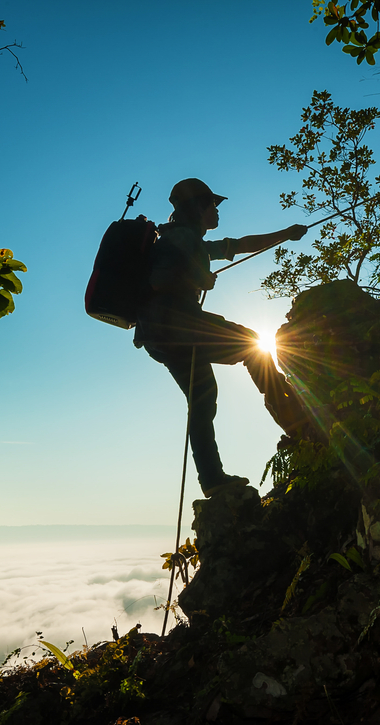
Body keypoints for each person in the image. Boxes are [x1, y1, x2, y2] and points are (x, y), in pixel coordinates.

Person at [133, 178, 310, 496]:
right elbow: (159, 280)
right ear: (199, 207)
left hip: (159, 334)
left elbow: (239, 245)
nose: (217, 210)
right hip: (178, 328)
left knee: (202, 399)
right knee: (251, 345)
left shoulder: (188, 239)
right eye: (213, 204)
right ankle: (297, 421)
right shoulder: (183, 238)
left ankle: (212, 479)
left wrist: (285, 234)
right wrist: (195, 276)